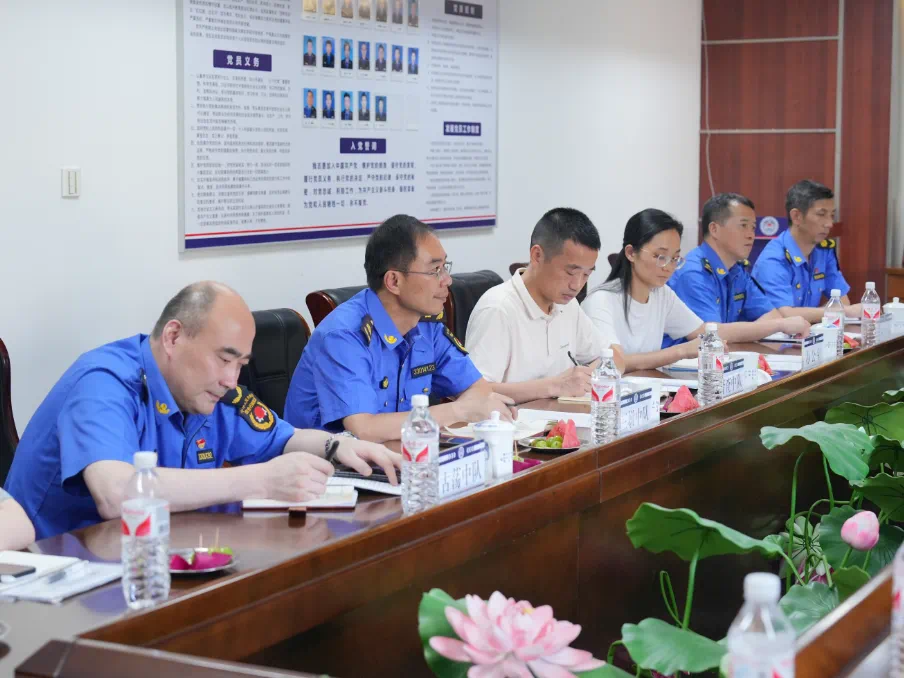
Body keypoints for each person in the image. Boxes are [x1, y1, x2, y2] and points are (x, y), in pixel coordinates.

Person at [3, 282, 400, 540]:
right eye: (224, 359)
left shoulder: (212, 390)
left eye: (241, 364)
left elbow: (285, 439)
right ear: (173, 336)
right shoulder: (104, 382)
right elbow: (117, 494)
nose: (231, 378)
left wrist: (337, 445)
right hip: (61, 577)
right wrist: (259, 480)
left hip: (164, 556)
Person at [284, 215, 514, 442]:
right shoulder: (344, 336)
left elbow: (479, 391)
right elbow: (365, 429)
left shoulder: (427, 326)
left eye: (445, 267)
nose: (447, 280)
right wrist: (459, 410)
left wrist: (471, 406)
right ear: (394, 281)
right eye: (435, 270)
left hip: (402, 454)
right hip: (328, 463)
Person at [581, 210, 811, 372]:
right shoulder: (601, 301)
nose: (668, 267)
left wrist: (779, 325)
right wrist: (681, 351)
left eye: (675, 258)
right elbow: (615, 362)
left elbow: (706, 332)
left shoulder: (661, 294)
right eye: (660, 256)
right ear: (631, 253)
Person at [466, 208, 623, 404]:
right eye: (570, 272)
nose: (577, 285)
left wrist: (584, 379)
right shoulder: (498, 309)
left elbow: (616, 358)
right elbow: (475, 392)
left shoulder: (568, 305)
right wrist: (555, 386)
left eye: (586, 275)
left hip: (561, 419)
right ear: (537, 255)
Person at [670, 193, 803, 325]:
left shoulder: (737, 271)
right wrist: (767, 327)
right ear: (714, 229)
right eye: (743, 226)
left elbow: (773, 316)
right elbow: (712, 333)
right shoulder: (694, 273)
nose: (751, 235)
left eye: (753, 228)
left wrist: (761, 328)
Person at [751, 180, 860, 323]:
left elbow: (842, 300)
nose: (829, 224)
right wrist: (837, 311)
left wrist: (834, 311)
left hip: (807, 332)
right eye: (821, 214)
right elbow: (784, 315)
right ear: (796, 216)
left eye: (832, 215)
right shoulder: (774, 259)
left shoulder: (824, 251)